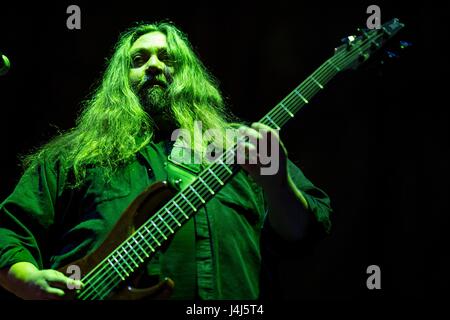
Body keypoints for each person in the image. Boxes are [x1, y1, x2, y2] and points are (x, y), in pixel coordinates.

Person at [0, 21, 332, 300]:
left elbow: (302, 233)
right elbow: (9, 231)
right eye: (139, 59)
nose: (154, 65)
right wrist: (25, 279)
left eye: (167, 58)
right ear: (119, 82)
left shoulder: (243, 147)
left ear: (191, 75)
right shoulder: (73, 155)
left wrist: (276, 182)